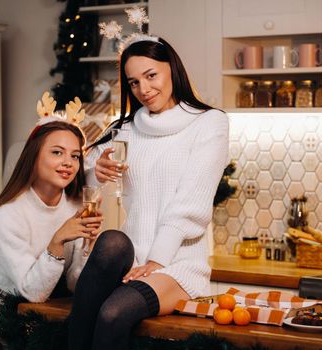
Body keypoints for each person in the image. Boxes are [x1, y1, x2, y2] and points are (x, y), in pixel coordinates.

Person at [67, 36, 229, 350]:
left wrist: (157, 260)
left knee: (113, 313)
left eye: (151, 75)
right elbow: (83, 165)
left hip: (176, 263)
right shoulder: (126, 129)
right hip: (130, 258)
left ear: (172, 68)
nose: (144, 89)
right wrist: (95, 171)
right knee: (112, 242)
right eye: (134, 82)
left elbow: (190, 202)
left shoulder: (209, 123)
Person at [0, 119, 103, 349]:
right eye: (57, 152)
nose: (68, 163)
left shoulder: (76, 207)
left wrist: (89, 245)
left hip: (35, 307)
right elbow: (34, 291)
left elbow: (73, 283)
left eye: (75, 156)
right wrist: (57, 240)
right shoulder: (5, 216)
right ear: (34, 156)